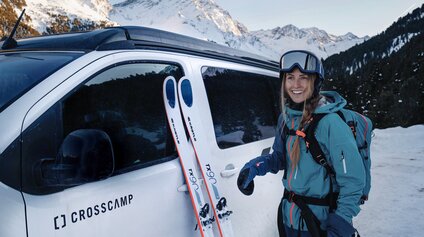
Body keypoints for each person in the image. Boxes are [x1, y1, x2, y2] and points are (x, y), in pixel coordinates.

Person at [237, 50, 365, 237]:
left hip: (320, 224)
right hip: (289, 219)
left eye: (303, 77)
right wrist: (254, 168)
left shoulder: (330, 124)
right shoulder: (286, 119)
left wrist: (338, 228)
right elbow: (280, 158)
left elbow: (353, 182)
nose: (295, 84)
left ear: (315, 81)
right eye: (290, 77)